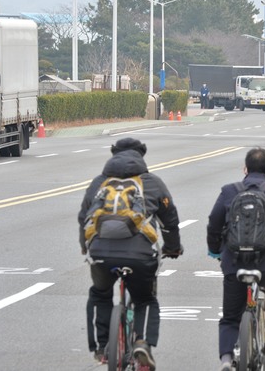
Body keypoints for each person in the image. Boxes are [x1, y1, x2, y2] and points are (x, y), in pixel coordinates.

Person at [78, 138, 184, 369]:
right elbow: (170, 219)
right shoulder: (152, 182)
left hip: (101, 253)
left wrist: (86, 247)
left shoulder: (99, 183)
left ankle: (101, 346)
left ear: (113, 156)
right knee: (145, 298)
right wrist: (173, 247)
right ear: (141, 156)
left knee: (100, 292)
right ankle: (142, 343)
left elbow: (83, 217)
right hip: (140, 254)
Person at [206, 147, 265, 371]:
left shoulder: (229, 191)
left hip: (234, 263)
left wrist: (215, 250)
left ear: (245, 169)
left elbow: (214, 224)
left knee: (230, 316)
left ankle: (226, 360)